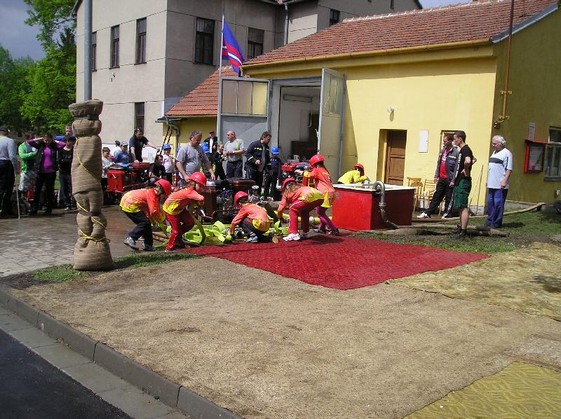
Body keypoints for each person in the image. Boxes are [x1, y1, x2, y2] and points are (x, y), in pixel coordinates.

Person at [120, 178, 171, 251]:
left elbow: (148, 209)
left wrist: (153, 221)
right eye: (164, 195)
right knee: (144, 223)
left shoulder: (150, 192)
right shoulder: (152, 195)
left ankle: (148, 245)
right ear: (161, 191)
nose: (163, 198)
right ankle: (131, 238)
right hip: (130, 205)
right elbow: (153, 211)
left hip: (127, 201)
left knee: (147, 224)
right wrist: (161, 221)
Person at [417, 133, 459, 219]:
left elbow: (456, 168)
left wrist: (453, 180)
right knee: (436, 196)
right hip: (441, 178)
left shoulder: (455, 152)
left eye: (445, 141)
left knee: (448, 197)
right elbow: (439, 163)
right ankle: (428, 213)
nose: (443, 142)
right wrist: (436, 176)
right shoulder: (443, 151)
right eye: (443, 141)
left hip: (449, 179)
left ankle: (447, 214)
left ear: (450, 141)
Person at [162, 171, 206, 252]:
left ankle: (177, 239)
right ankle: (169, 248)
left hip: (179, 209)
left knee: (190, 222)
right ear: (194, 183)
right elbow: (201, 198)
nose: (202, 189)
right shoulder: (190, 191)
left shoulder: (190, 191)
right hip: (170, 210)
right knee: (176, 231)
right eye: (200, 186)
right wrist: (201, 202)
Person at [27, 133, 65, 216]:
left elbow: (63, 144)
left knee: (49, 190)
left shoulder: (54, 146)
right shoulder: (40, 146)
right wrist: (39, 139)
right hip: (40, 171)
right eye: (45, 140)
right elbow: (29, 142)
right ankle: (34, 208)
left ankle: (49, 208)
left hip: (51, 172)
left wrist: (54, 141)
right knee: (37, 190)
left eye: (48, 140)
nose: (47, 142)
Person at [277, 177, 324, 241]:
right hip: (320, 197)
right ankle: (306, 232)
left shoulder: (287, 192)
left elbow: (281, 208)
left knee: (292, 208)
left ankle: (294, 233)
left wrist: (280, 217)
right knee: (304, 211)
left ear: (285, 187)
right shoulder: (300, 187)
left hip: (308, 196)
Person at [306, 153, 339, 235]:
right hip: (332, 193)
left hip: (325, 193)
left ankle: (333, 228)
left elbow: (309, 176)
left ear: (314, 164)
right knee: (322, 212)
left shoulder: (316, 170)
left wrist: (302, 172)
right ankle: (322, 228)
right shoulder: (325, 171)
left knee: (320, 213)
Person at [450, 130, 474, 239]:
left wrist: (466, 169)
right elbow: (474, 159)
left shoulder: (466, 150)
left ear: (460, 139)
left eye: (455, 139)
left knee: (463, 206)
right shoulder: (462, 150)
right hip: (459, 181)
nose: (454, 141)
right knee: (459, 206)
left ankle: (463, 231)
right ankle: (460, 228)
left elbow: (468, 161)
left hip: (464, 181)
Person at [485, 135, 513, 229]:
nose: (493, 145)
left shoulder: (507, 153)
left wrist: (504, 181)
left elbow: (509, 169)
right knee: (490, 203)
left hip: (500, 184)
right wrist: (487, 180)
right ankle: (489, 221)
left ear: (501, 144)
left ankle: (497, 222)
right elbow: (491, 168)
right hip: (491, 183)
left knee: (498, 204)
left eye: (495, 144)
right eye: (492, 143)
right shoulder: (493, 153)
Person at [0, 126, 19, 218]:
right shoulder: (9, 141)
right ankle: (3, 210)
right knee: (7, 188)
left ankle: (5, 208)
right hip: (5, 164)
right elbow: (12, 157)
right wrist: (16, 168)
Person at [57, 134, 76, 211]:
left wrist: (65, 161)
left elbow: (75, 161)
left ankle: (73, 202)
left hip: (72, 172)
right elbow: (59, 161)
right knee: (64, 188)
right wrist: (67, 161)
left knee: (72, 189)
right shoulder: (61, 150)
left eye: (71, 141)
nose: (69, 143)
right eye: (68, 141)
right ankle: (67, 204)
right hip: (63, 172)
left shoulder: (74, 150)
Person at [18, 134, 37, 202]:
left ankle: (36, 203)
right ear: (27, 139)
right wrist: (33, 154)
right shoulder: (22, 146)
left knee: (37, 187)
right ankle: (23, 201)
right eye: (32, 138)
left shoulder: (36, 145)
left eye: (34, 138)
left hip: (36, 170)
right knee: (23, 188)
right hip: (26, 170)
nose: (34, 140)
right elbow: (23, 156)